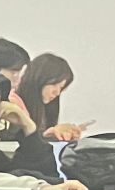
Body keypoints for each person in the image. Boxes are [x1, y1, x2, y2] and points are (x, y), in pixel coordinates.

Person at [10, 53, 83, 183]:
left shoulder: (43, 109)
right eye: (55, 85)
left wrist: (46, 136)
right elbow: (14, 143)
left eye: (61, 88)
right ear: (40, 79)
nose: (57, 93)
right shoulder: (14, 102)